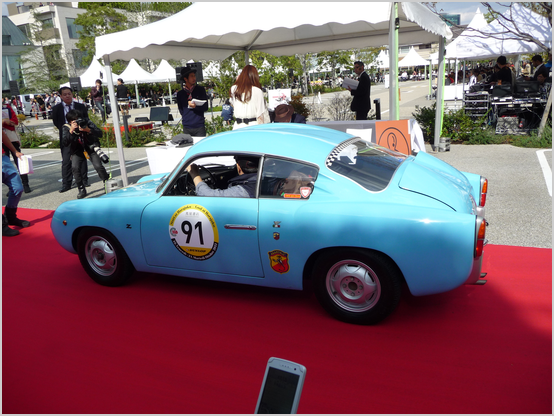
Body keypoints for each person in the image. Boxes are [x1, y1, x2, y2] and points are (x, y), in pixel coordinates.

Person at [62, 109, 109, 199]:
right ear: (69, 122)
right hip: (77, 151)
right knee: (75, 168)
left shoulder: (86, 122)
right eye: (74, 121)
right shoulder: (66, 127)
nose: (77, 122)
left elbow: (100, 133)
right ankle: (81, 188)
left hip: (90, 148)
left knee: (98, 166)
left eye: (78, 119)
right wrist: (71, 131)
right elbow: (65, 143)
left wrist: (88, 130)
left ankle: (106, 181)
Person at [52, 86, 89, 193]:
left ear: (72, 94)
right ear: (61, 96)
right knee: (66, 160)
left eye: (69, 94)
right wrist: (67, 131)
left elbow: (86, 119)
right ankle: (66, 183)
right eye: (65, 94)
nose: (67, 96)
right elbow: (57, 122)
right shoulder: (57, 108)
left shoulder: (80, 106)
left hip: (80, 136)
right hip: (67, 136)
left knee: (81, 158)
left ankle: (84, 180)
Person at [186, 156, 259, 198]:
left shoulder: (243, 191)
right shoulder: (264, 181)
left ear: (239, 167)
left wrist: (195, 175)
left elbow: (206, 195)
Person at [2, 130, 30, 236]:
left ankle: (10, 217)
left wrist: (15, 151)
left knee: (17, 188)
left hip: (3, 158)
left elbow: (2, 134)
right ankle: (2, 225)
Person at [2, 101, 31, 193]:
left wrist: (7, 122)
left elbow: (15, 121)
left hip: (10, 137)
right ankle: (11, 186)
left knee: (19, 161)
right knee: (5, 165)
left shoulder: (6, 107)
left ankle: (26, 184)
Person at [229, 65, 268, 130]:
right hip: (253, 126)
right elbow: (260, 116)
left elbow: (233, 104)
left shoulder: (234, 89)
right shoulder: (257, 91)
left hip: (237, 126)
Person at [176, 66, 209, 137]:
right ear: (185, 79)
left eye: (194, 76)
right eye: (191, 76)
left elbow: (206, 107)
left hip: (199, 126)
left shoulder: (200, 90)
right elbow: (181, 110)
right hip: (187, 127)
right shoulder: (180, 94)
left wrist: (195, 107)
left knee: (200, 147)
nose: (194, 78)